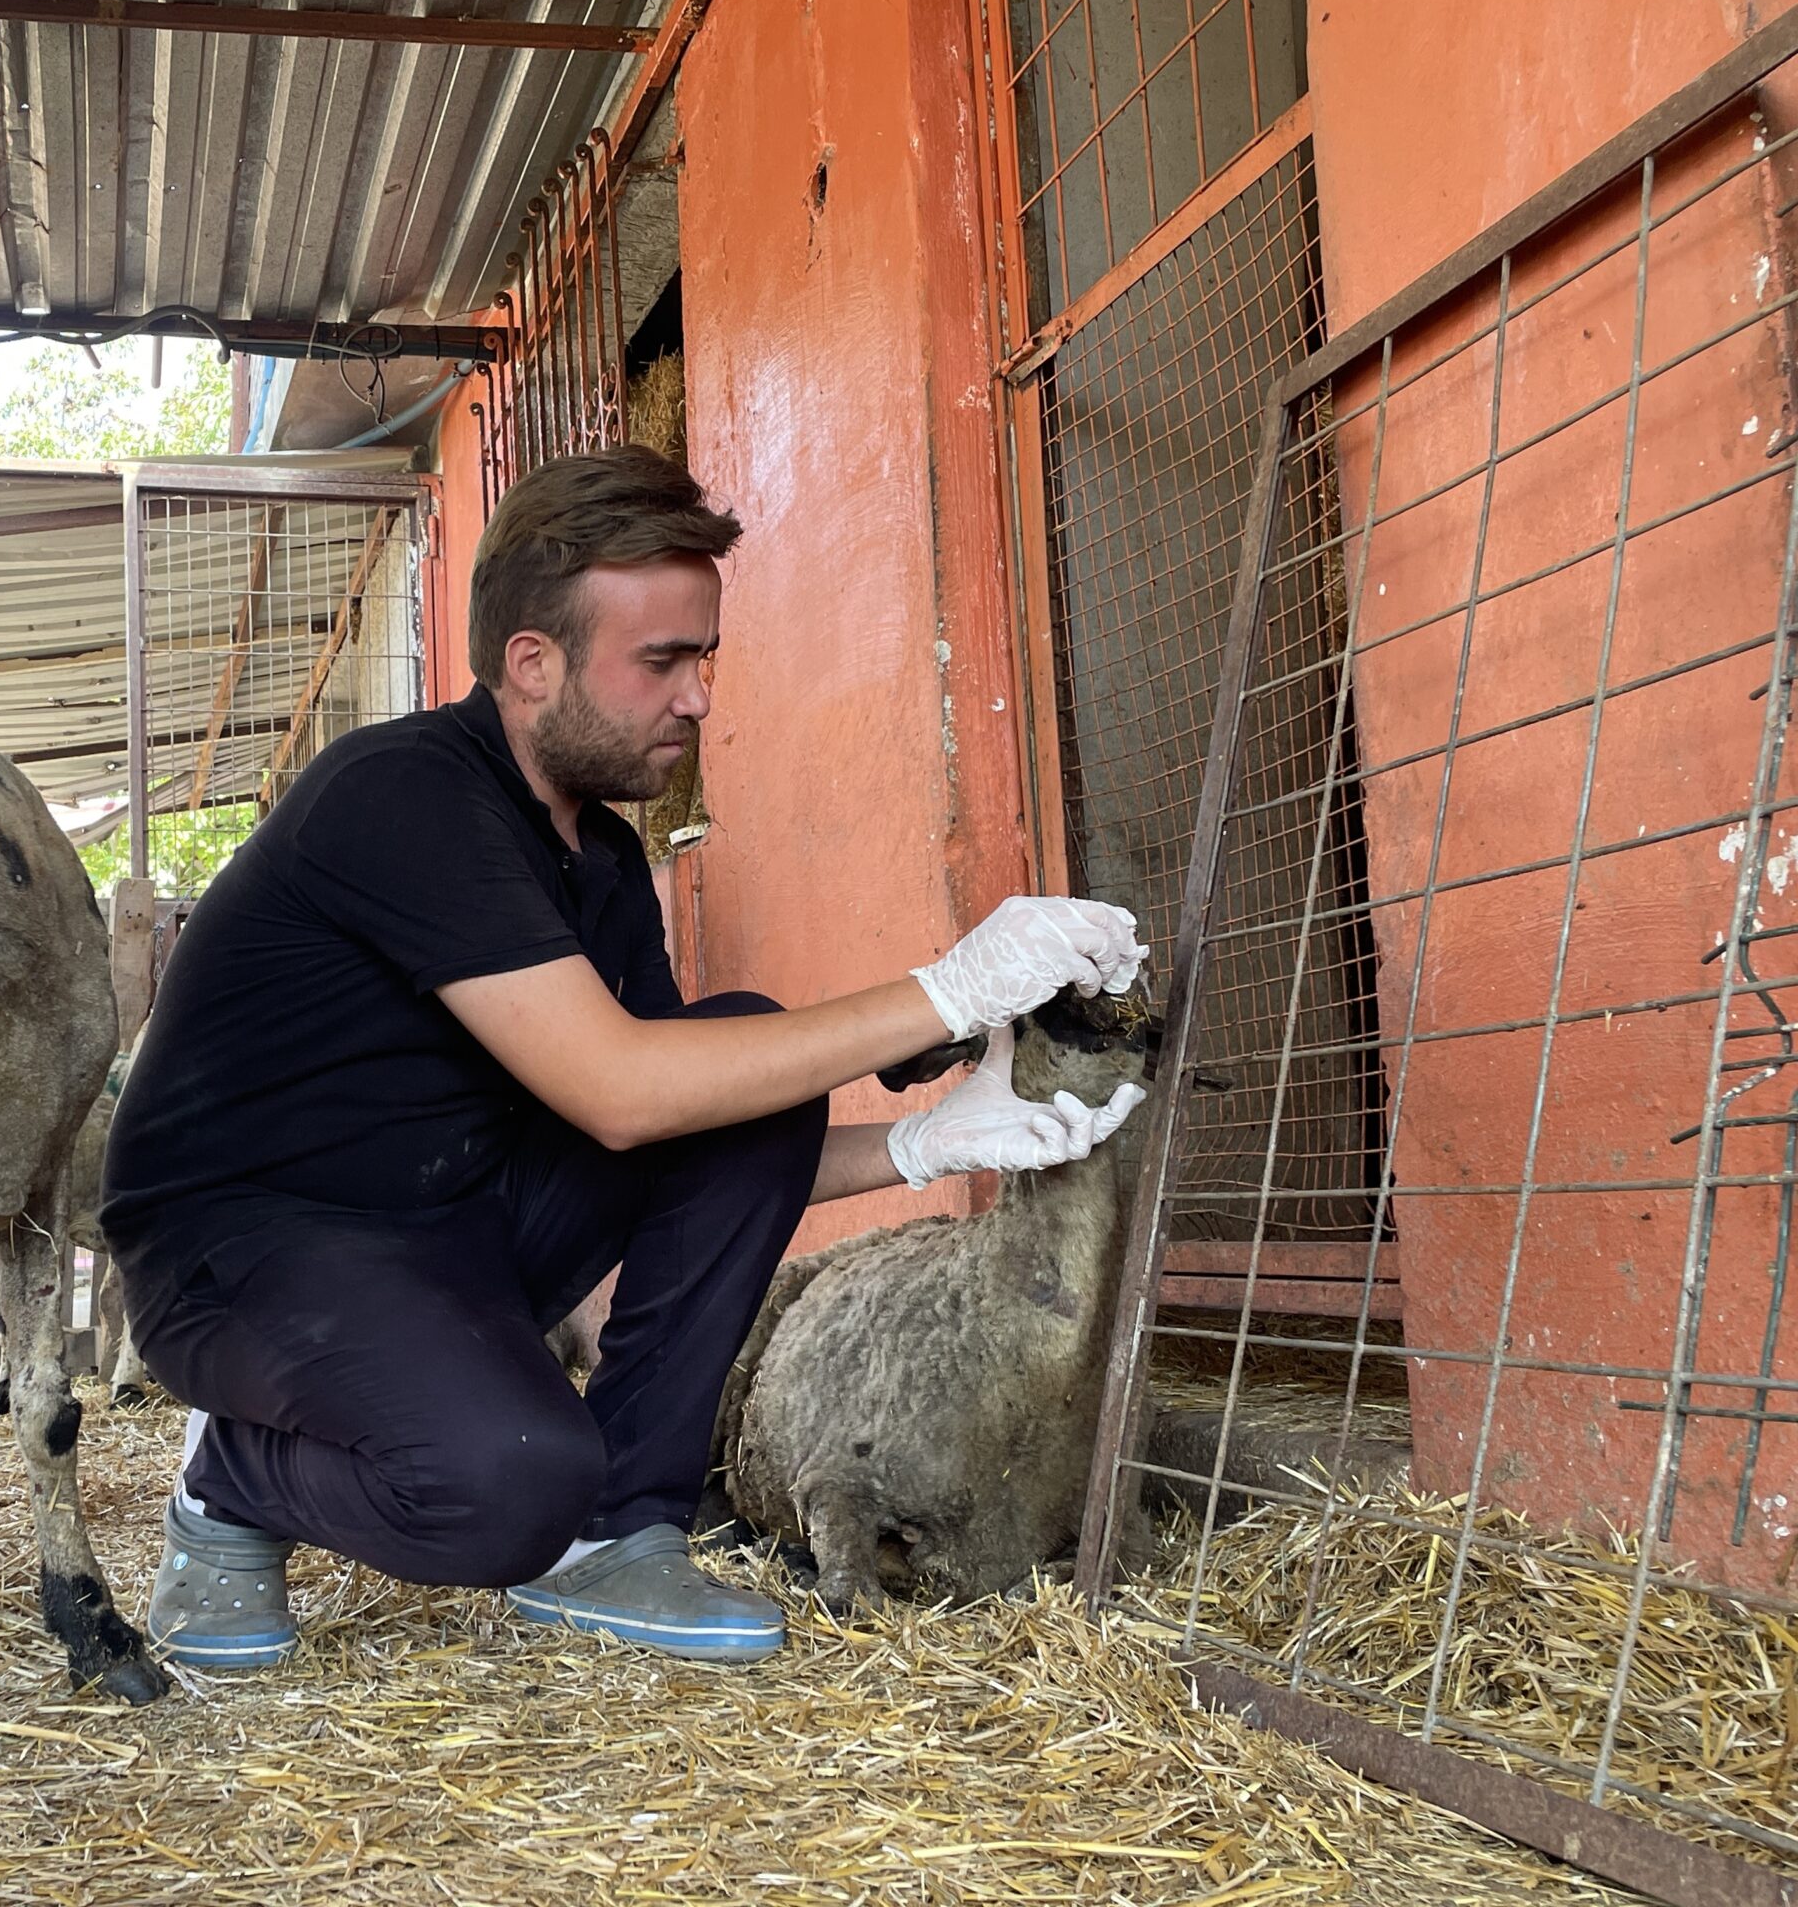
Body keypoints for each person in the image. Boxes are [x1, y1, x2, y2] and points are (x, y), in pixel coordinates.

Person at [100, 446, 1147, 1669]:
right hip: (246, 1263)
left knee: (741, 1045)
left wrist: (921, 1144)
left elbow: (683, 1125)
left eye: (702, 658)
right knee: (507, 1485)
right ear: (531, 664)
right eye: (662, 662)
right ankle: (230, 1483)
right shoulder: (401, 797)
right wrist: (947, 991)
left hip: (453, 1237)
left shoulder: (598, 860)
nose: (698, 698)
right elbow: (620, 1093)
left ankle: (623, 1537)